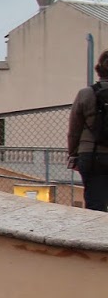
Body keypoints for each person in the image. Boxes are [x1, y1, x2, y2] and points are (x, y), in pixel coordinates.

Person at [66, 50, 108, 211]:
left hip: (91, 155)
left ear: (99, 69)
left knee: (95, 204)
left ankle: (96, 227)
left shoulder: (86, 94)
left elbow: (74, 130)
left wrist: (73, 154)